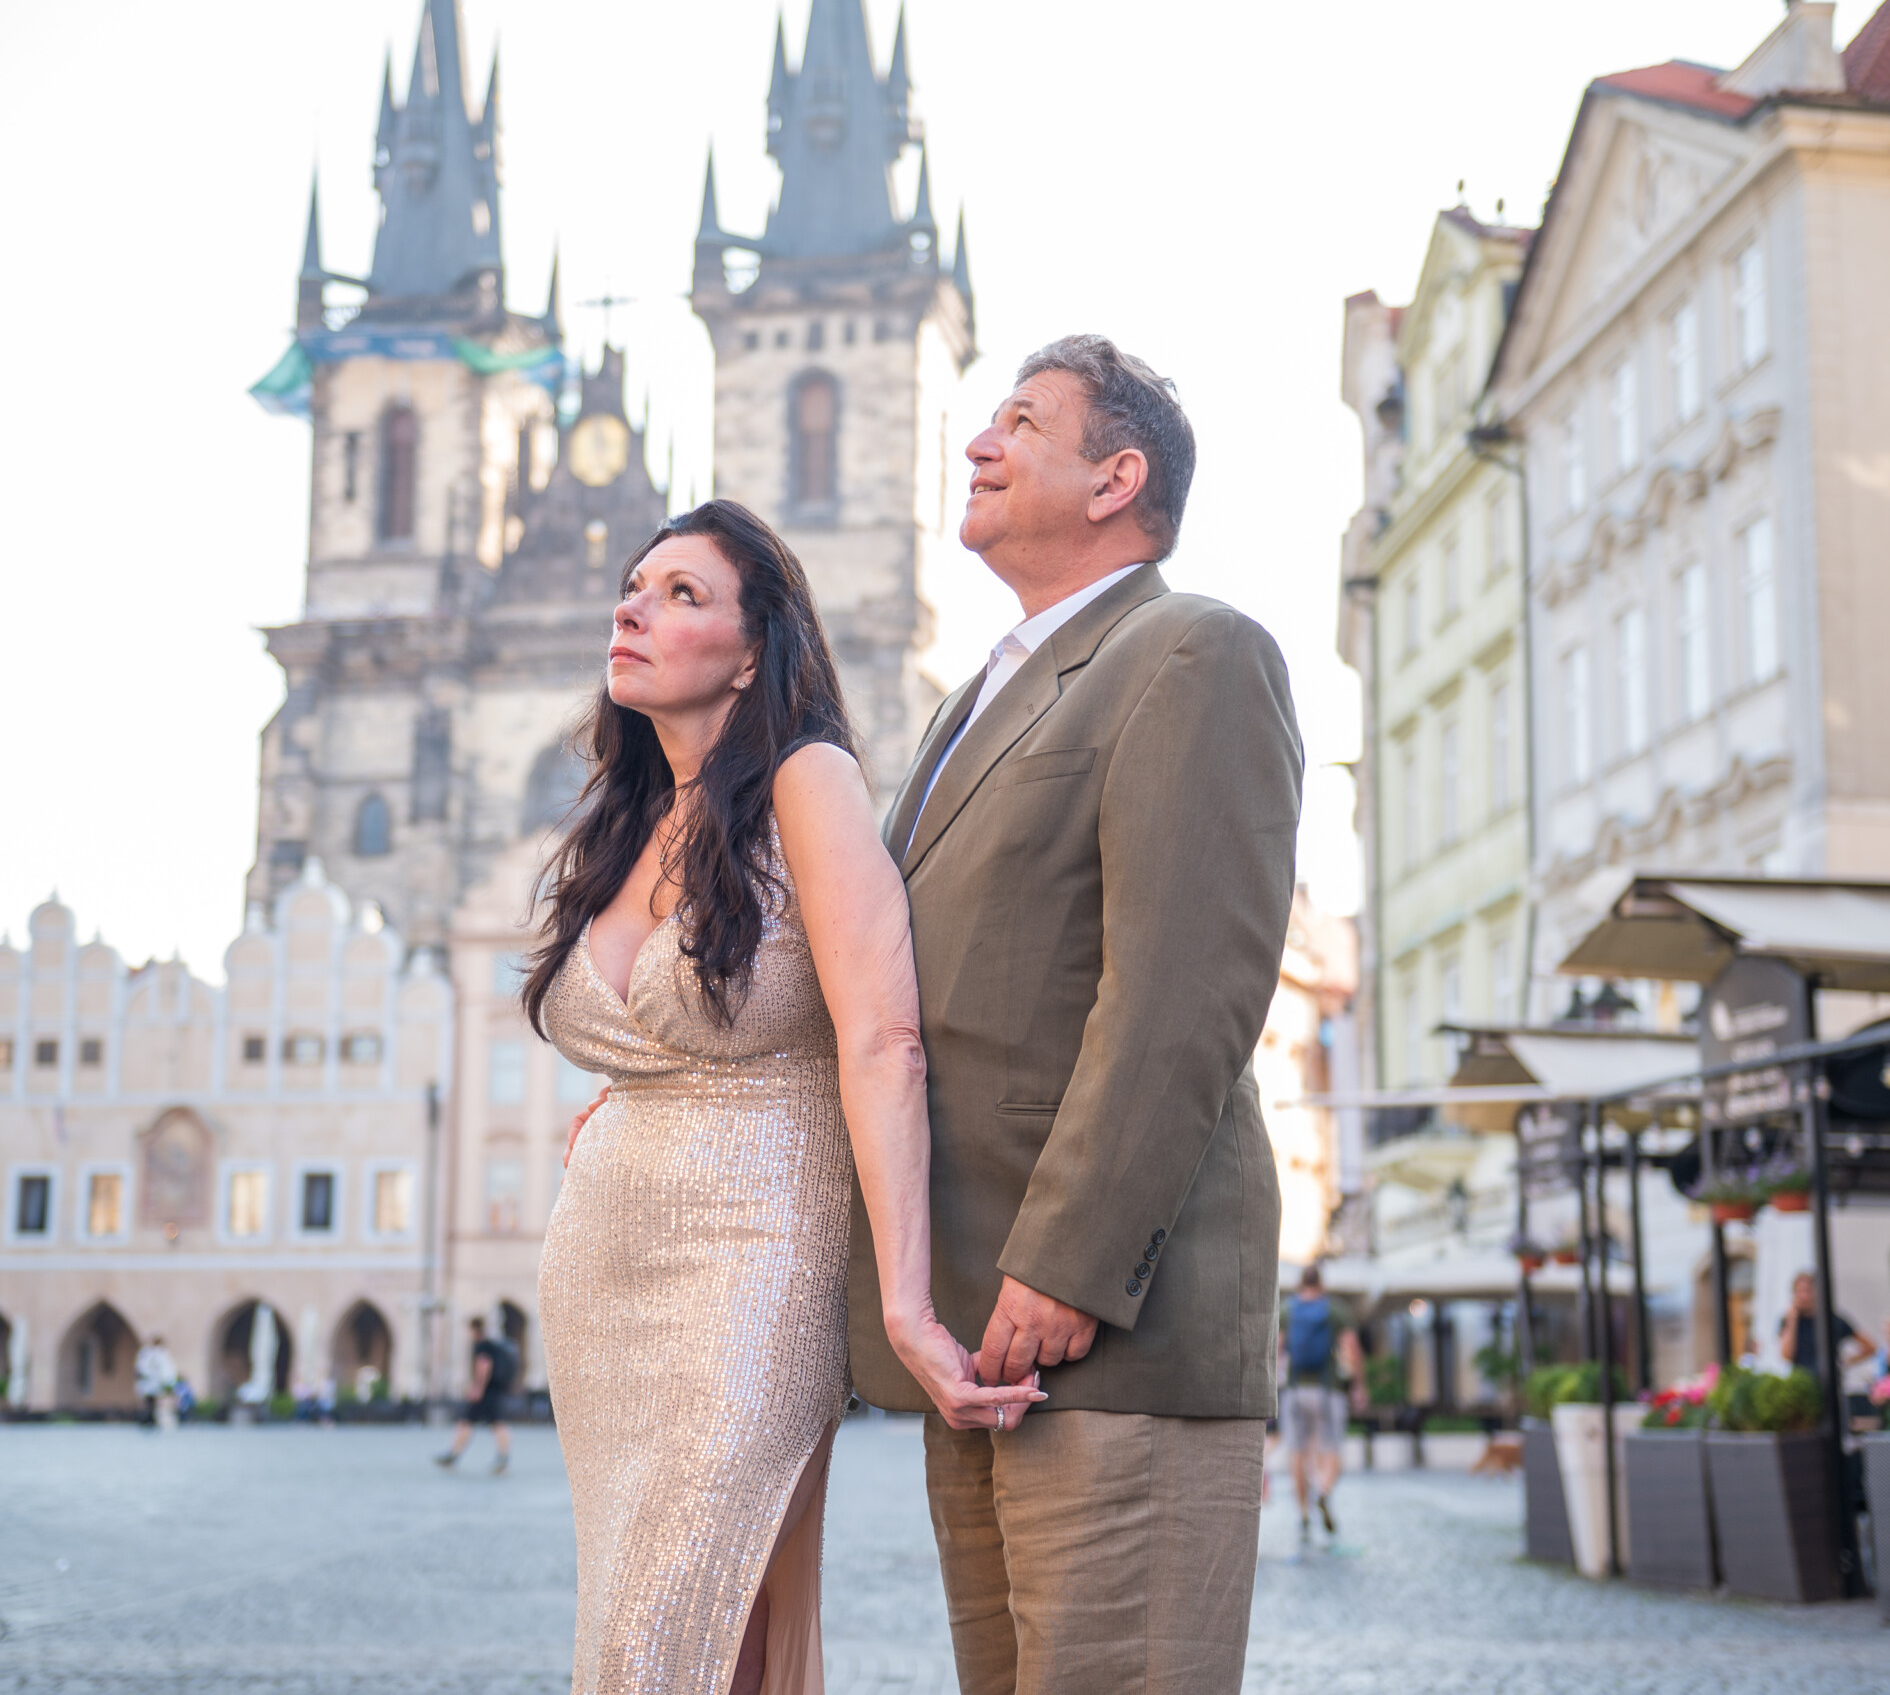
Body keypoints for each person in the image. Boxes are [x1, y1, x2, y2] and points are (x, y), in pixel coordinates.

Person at [846, 335, 1303, 1693]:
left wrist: (1071, 1261)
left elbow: (1181, 988)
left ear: (1118, 478)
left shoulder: (1189, 649)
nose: (979, 445)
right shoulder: (966, 702)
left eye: (1021, 423)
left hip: (1110, 1327)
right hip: (984, 1333)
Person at [539, 498, 1034, 1695]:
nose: (633, 605)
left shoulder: (807, 779)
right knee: (635, 1611)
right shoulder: (622, 818)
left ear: (755, 649)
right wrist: (627, 1097)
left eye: (681, 593)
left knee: (675, 1626)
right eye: (634, 584)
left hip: (755, 1254)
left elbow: (883, 1035)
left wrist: (907, 1302)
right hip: (603, 1271)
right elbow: (650, 1040)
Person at [1283, 1265, 1361, 1545]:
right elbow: (1350, 1348)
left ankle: (1303, 1514)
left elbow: (1278, 1347)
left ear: (1300, 1283)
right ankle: (1324, 1491)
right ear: (1322, 1283)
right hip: (1329, 1391)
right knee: (1332, 1449)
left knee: (1297, 1452)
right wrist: (1359, 1386)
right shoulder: (1335, 1309)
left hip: (1294, 1391)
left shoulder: (1287, 1309)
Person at [435, 1315, 516, 1476]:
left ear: (473, 1329)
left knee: (471, 1421)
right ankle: (501, 1456)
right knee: (493, 1423)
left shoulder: (482, 1346)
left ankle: (454, 1454)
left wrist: (477, 1388)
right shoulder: (492, 1344)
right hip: (493, 1391)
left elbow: (483, 1365)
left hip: (485, 1393)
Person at [1778, 1269, 1875, 1379]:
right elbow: (1786, 1355)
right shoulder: (1789, 1321)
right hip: (1802, 1384)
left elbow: (1870, 1346)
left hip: (1830, 1383)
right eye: (1799, 1291)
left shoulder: (1833, 1319)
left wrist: (1846, 1361)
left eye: (1807, 1291)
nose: (1804, 1296)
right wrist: (1792, 1318)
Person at [136, 1335, 178, 1432]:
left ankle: (151, 1419)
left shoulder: (148, 1353)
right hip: (152, 1383)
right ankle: (148, 1419)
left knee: (152, 1403)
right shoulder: (153, 1353)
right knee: (151, 1402)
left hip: (152, 1383)